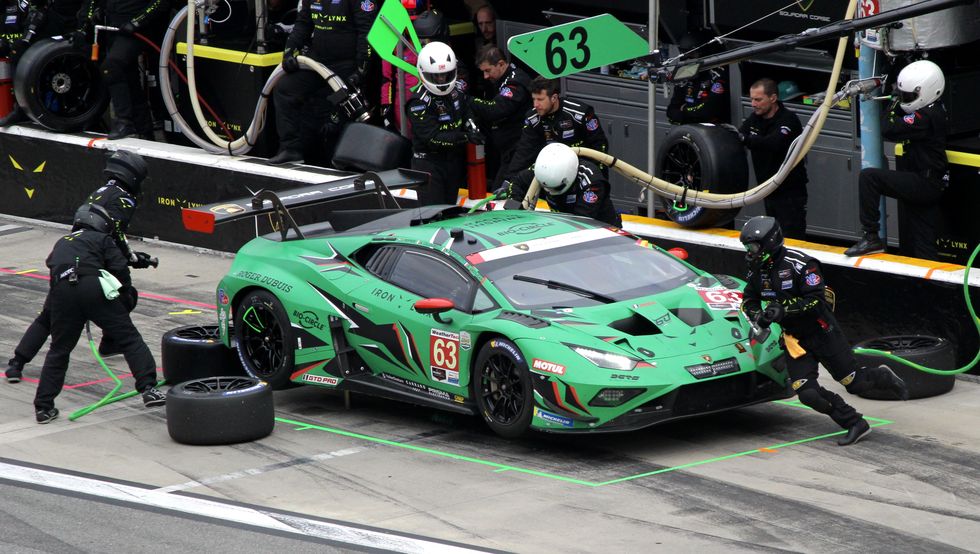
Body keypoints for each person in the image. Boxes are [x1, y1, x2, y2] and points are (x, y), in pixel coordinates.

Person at [739, 216, 908, 446]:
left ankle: (882, 376)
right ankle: (854, 422)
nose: (749, 252)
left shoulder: (802, 264)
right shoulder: (757, 271)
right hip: (794, 340)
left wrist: (784, 310)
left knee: (853, 383)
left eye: (753, 247)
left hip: (822, 331)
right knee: (808, 394)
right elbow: (747, 300)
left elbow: (818, 301)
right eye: (747, 247)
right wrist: (758, 316)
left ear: (770, 242)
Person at [6, 150, 154, 383]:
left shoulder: (101, 191)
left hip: (69, 252)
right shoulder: (124, 198)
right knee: (124, 297)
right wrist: (129, 257)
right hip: (93, 258)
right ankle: (112, 343)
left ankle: (16, 364)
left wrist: (130, 255)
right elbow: (114, 232)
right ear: (134, 176)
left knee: (47, 316)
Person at [32, 202, 164, 423]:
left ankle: (44, 408)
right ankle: (149, 389)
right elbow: (119, 268)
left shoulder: (62, 241)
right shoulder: (103, 239)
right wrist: (125, 298)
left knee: (59, 350)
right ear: (101, 223)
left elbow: (51, 264)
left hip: (62, 290)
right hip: (92, 286)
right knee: (129, 338)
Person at [845, 60, 948, 260]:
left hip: (923, 182)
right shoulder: (936, 108)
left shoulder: (926, 117)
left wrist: (893, 101)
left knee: (869, 178)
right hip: (929, 181)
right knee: (923, 241)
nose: (906, 99)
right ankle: (931, 285)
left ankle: (871, 235)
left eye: (909, 96)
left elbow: (887, 127)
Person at [268, 0, 377, 165]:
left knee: (338, 108)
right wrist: (289, 52)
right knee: (285, 88)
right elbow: (303, 24)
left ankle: (344, 159)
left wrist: (361, 70)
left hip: (347, 65)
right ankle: (290, 149)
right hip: (317, 63)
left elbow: (366, 32)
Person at [76, 0, 169, 139]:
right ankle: (144, 128)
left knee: (111, 67)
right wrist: (83, 27)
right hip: (112, 27)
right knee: (128, 75)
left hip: (140, 29)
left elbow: (162, 2)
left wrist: (137, 22)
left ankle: (124, 122)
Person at [405, 40, 482, 205]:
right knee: (433, 214)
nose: (441, 79)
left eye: (445, 75)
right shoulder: (418, 103)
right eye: (436, 76)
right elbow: (433, 139)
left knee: (450, 211)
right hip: (429, 165)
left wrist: (470, 124)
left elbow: (466, 108)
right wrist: (465, 137)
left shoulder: (457, 91)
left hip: (453, 162)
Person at [738, 78, 809, 239]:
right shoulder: (755, 118)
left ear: (773, 98)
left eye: (758, 99)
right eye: (751, 99)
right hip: (767, 187)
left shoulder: (788, 119)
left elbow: (773, 144)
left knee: (791, 235)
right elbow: (739, 135)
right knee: (773, 234)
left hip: (789, 190)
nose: (753, 104)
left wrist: (747, 140)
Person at [503, 77, 608, 183]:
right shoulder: (533, 118)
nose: (535, 105)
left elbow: (600, 145)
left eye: (540, 99)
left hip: (583, 170)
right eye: (534, 99)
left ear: (554, 98)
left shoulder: (580, 113)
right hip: (552, 174)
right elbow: (524, 151)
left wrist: (595, 174)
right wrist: (509, 180)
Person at [496, 142, 621, 227]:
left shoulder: (591, 182)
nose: (550, 192)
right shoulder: (542, 170)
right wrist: (516, 209)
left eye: (555, 187)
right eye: (547, 188)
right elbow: (517, 182)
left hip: (601, 233)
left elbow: (581, 222)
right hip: (561, 224)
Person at [469, 44, 532, 189]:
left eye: (487, 71)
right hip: (504, 151)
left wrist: (468, 101)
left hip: (519, 153)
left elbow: (496, 109)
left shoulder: (516, 81)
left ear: (501, 64)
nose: (485, 76)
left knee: (501, 192)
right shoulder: (497, 81)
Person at [380, 8, 447, 135]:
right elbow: (386, 78)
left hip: (434, 99)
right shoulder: (393, 38)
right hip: (404, 104)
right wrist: (386, 107)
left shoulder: (432, 31)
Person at [665, 31, 730, 125]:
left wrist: (684, 110)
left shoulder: (717, 75)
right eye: (684, 54)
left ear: (703, 52)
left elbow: (708, 112)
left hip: (713, 130)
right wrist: (691, 114)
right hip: (688, 129)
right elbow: (671, 112)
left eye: (692, 54)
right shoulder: (684, 74)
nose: (688, 58)